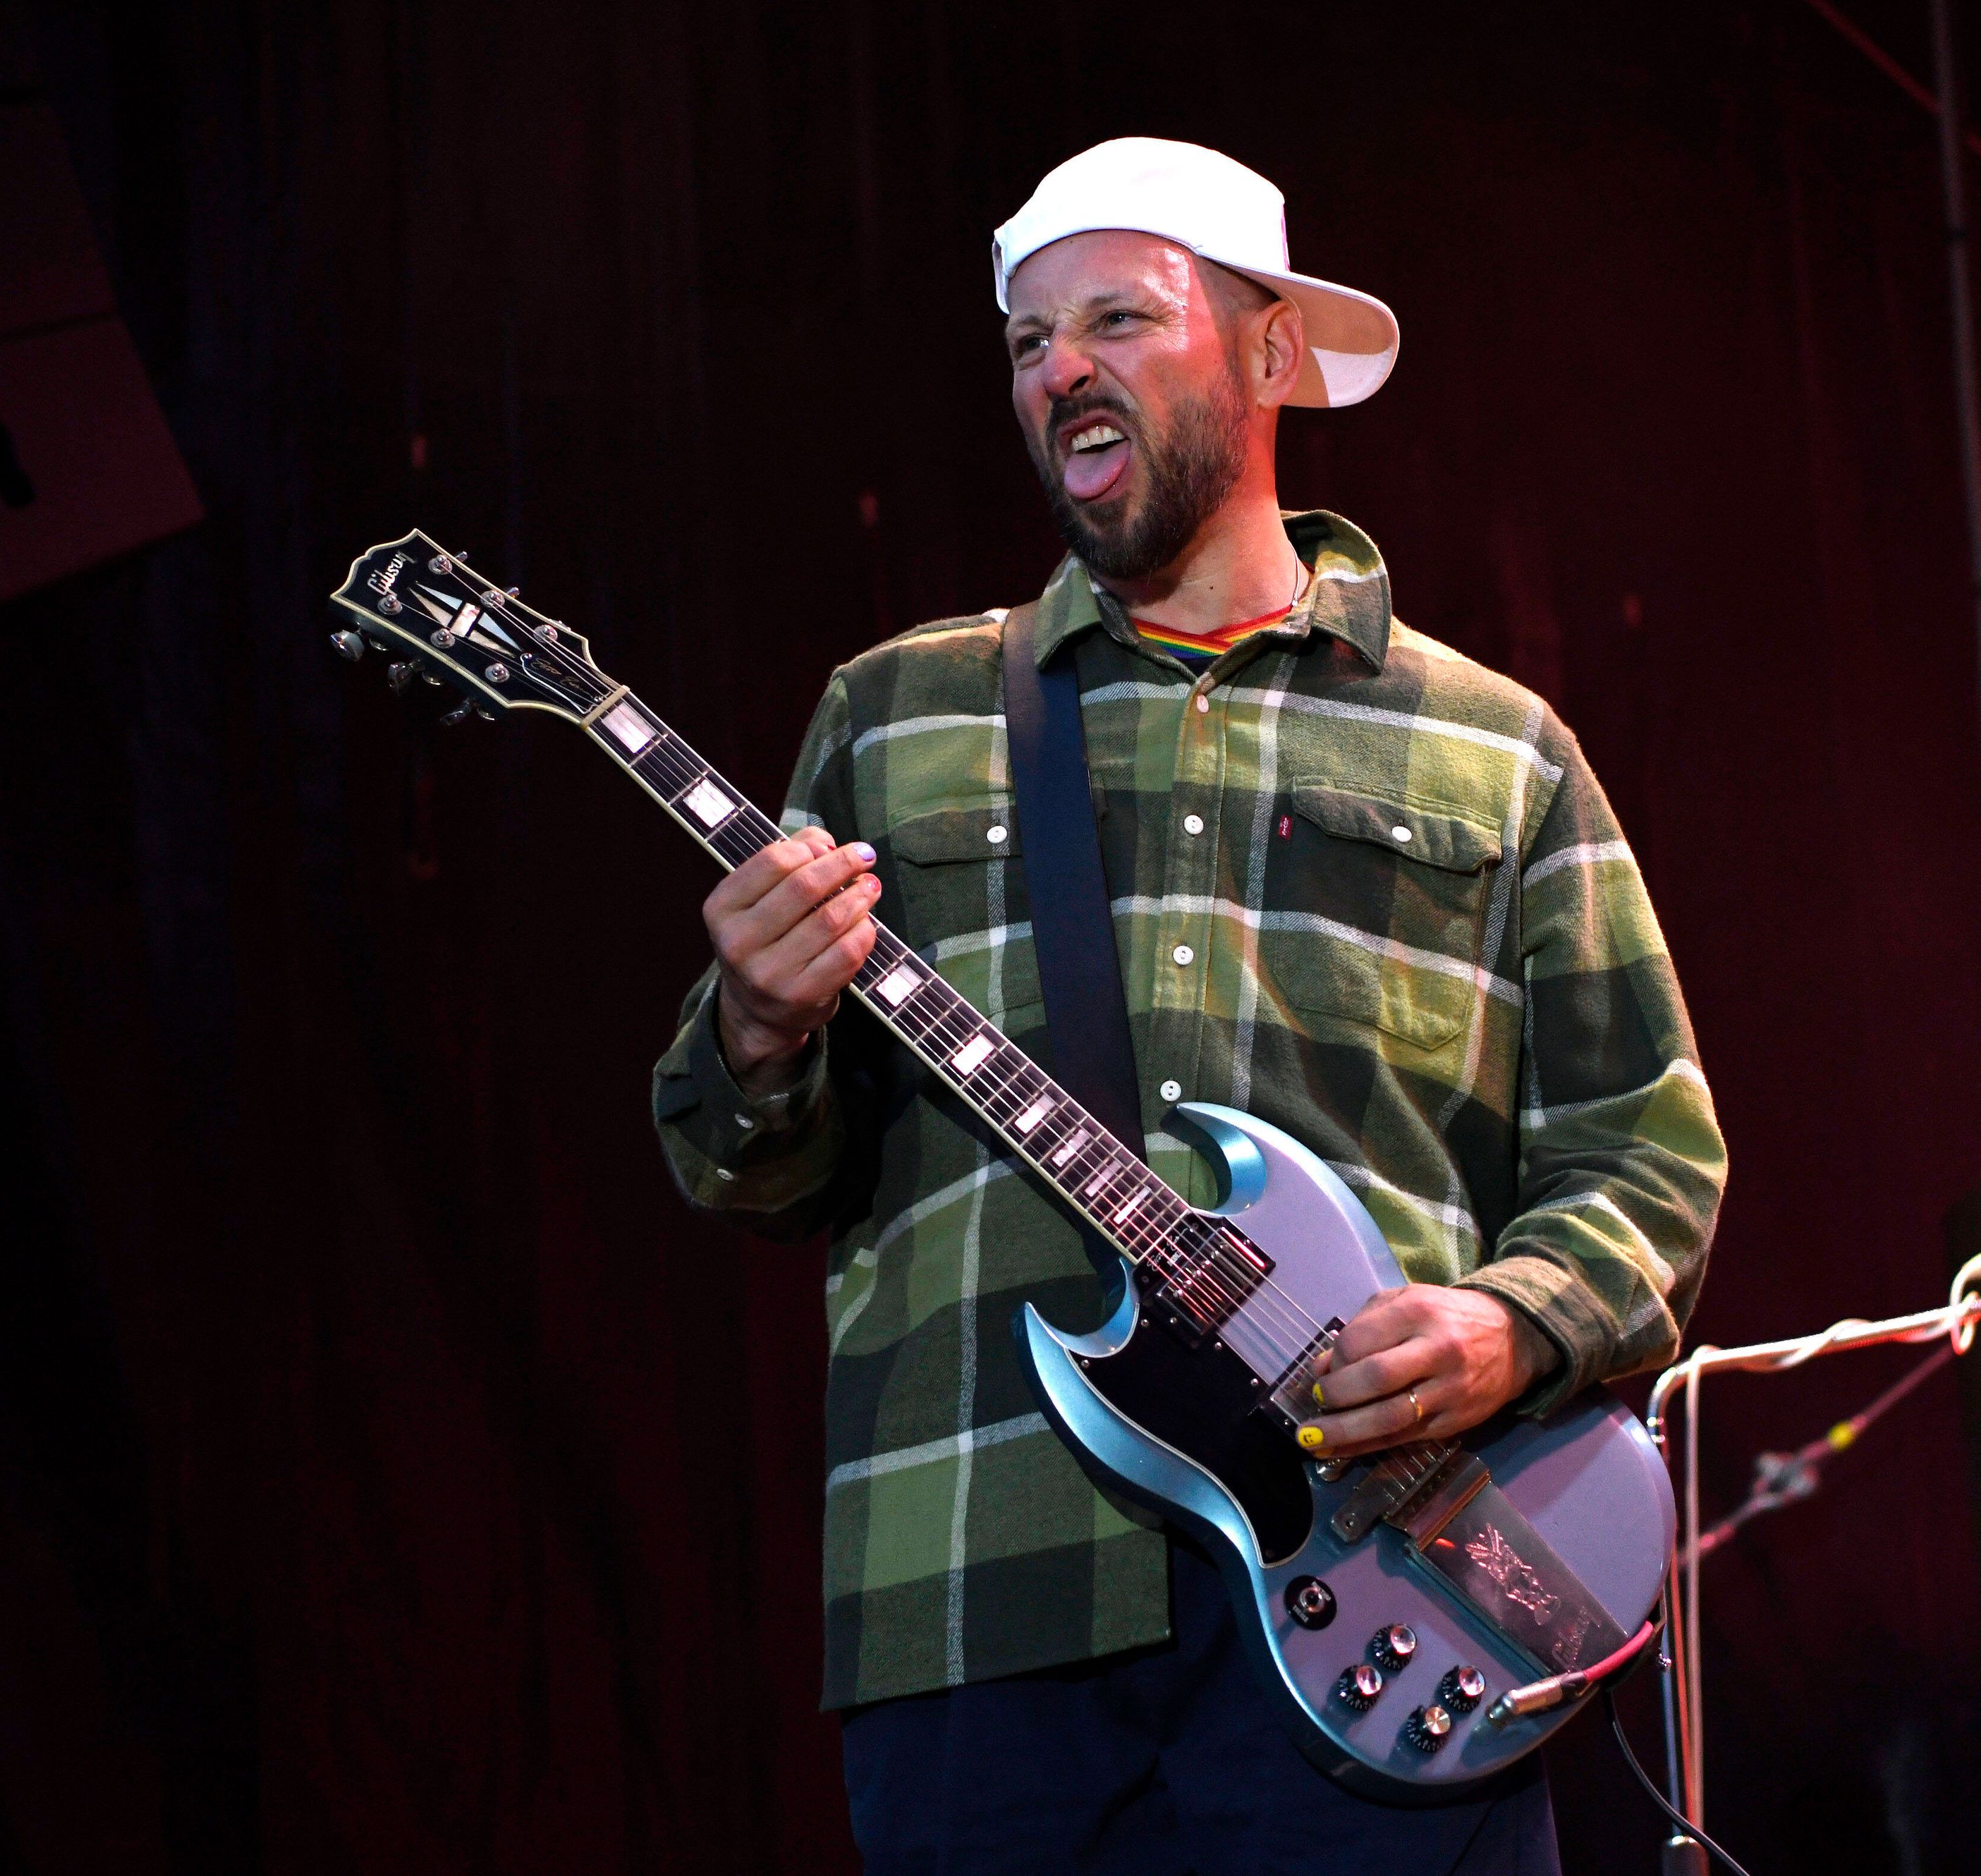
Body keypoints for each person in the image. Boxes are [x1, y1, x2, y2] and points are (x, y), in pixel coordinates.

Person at [654, 138, 1726, 1873]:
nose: (1058, 367)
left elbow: (1646, 1155)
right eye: (1024, 341)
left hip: (1392, 1613)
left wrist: (1508, 1325)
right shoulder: (895, 714)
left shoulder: (1497, 746)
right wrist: (758, 1038)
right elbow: (750, 1169)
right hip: (974, 1599)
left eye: (1117, 320)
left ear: (1269, 353)